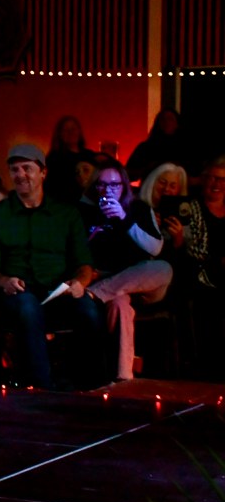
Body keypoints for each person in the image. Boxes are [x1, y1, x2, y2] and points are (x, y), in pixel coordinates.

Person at [0, 144, 103, 389]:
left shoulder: (66, 214)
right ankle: (42, 387)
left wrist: (80, 283)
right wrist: (3, 280)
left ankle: (91, 385)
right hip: (15, 295)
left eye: (27, 168)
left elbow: (84, 262)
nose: (20, 175)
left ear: (43, 172)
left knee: (89, 309)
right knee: (27, 306)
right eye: (14, 170)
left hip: (57, 293)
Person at [78, 160, 172, 381]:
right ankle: (122, 379)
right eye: (102, 184)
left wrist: (124, 219)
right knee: (119, 304)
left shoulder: (139, 209)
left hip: (138, 280)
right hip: (107, 280)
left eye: (114, 184)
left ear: (124, 185)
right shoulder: (85, 211)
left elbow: (155, 248)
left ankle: (94, 295)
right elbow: (78, 250)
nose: (108, 190)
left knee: (164, 268)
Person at [167, 156, 225, 378]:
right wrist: (179, 241)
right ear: (203, 179)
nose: (216, 184)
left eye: (222, 179)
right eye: (212, 178)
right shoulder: (189, 208)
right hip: (197, 273)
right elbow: (181, 253)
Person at [45, 115, 97, 203]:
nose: (70, 132)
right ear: (59, 134)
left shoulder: (90, 155)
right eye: (66, 130)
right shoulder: (54, 158)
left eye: (73, 128)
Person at [126, 109, 186, 183]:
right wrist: (149, 169)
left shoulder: (185, 149)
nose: (166, 122)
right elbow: (128, 174)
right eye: (163, 119)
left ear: (177, 124)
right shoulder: (145, 148)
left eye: (170, 119)